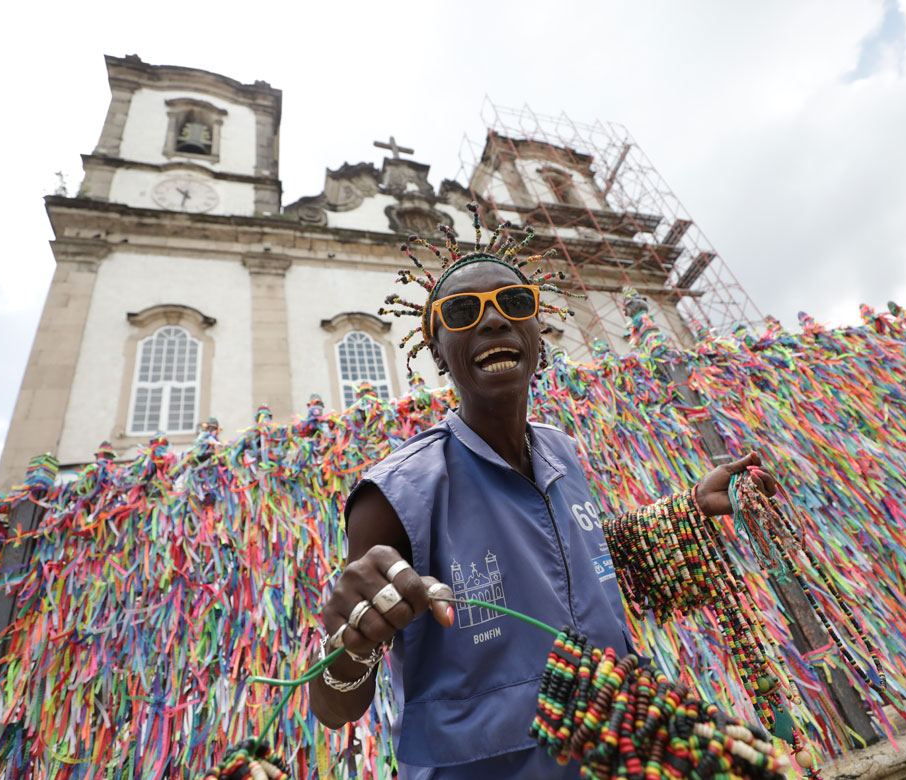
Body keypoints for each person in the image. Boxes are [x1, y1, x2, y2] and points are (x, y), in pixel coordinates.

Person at [308, 214, 778, 779]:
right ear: (437, 352)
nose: (492, 321)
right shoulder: (394, 494)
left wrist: (688, 510)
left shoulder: (564, 454)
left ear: (536, 331)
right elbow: (334, 708)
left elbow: (581, 569)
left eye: (513, 302)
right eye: (462, 312)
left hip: (619, 758)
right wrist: (353, 643)